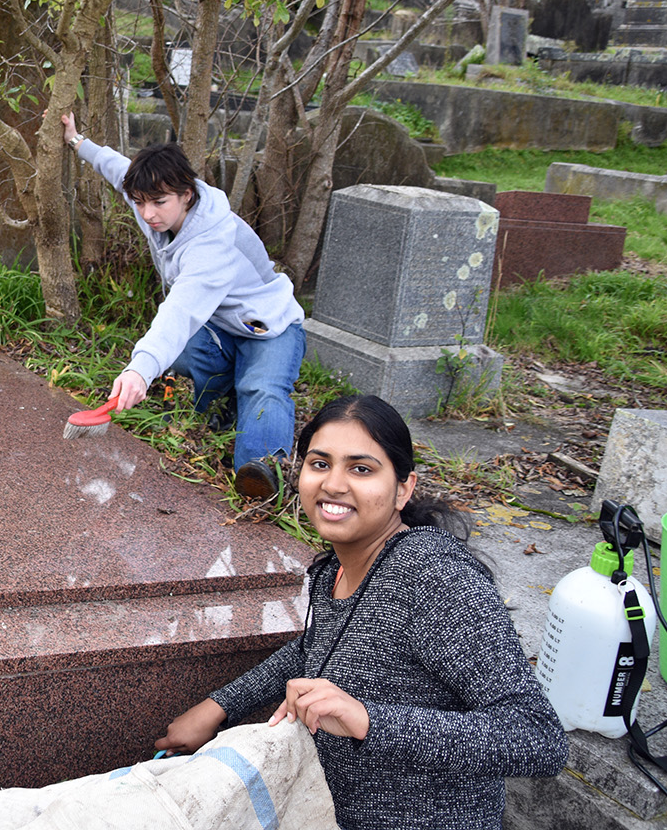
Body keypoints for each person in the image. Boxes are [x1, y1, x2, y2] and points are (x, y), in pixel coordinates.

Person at [154, 394, 567, 830]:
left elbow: (536, 737)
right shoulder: (335, 566)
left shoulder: (433, 576)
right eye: (319, 464)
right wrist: (218, 706)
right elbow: (316, 647)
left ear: (403, 488)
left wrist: (370, 721)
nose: (333, 484)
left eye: (361, 469)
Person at [61, 113, 306, 499]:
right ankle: (221, 404)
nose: (147, 214)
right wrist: (77, 142)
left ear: (186, 194)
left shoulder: (212, 242)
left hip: (269, 327)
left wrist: (140, 370)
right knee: (187, 353)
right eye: (139, 202)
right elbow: (118, 169)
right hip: (221, 325)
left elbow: (181, 311)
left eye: (158, 203)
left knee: (263, 387)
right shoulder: (157, 203)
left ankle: (261, 471)